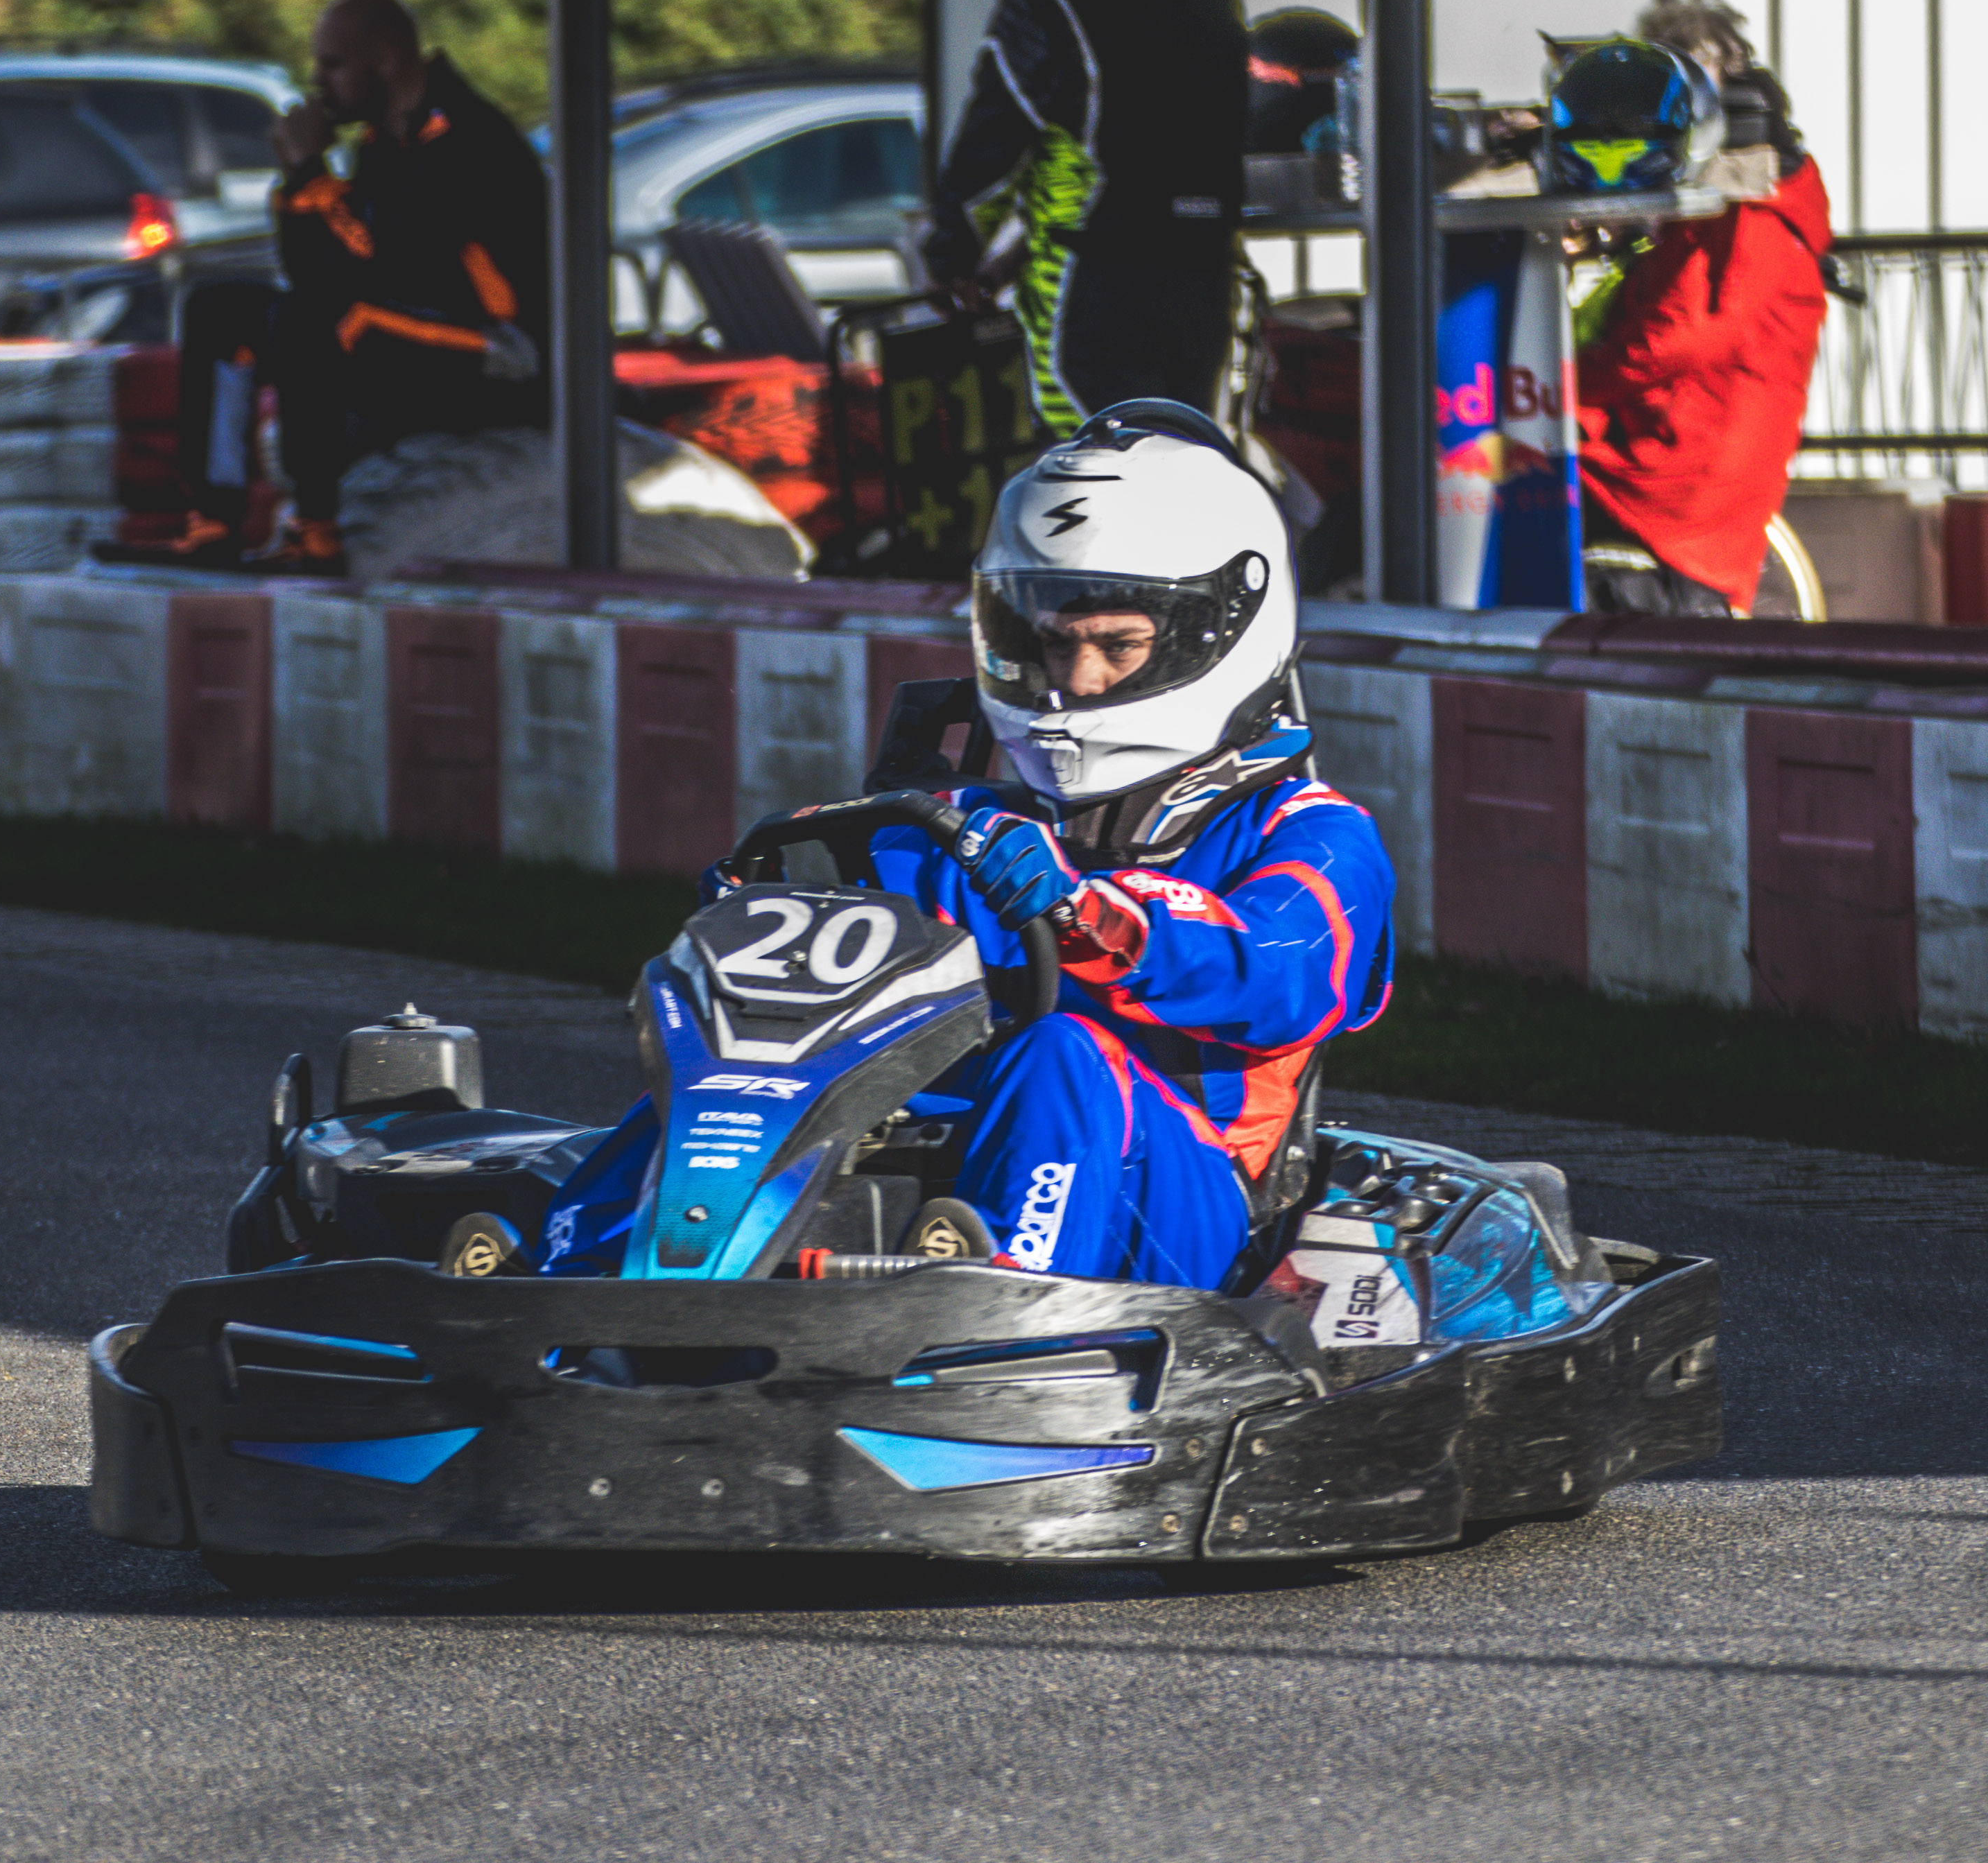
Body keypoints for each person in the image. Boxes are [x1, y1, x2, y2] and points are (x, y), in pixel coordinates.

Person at [539, 401, 1390, 1287]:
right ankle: (570, 1270)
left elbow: (1277, 975)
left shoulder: (1315, 833)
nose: (1075, 680)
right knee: (734, 1074)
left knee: (1062, 1050)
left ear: (1220, 634)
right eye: (1052, 643)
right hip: (948, 1154)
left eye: (1119, 646)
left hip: (1181, 1201)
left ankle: (1003, 1302)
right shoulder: (950, 825)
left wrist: (1089, 913)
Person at [139, 0, 551, 576]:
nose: (318, 82)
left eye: (332, 65)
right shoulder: (385, 141)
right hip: (408, 325)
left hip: (498, 352)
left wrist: (314, 174)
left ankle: (315, 531)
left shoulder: (463, 136)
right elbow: (316, 270)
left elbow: (388, 264)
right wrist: (299, 180)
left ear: (384, 61)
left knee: (316, 319)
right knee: (220, 308)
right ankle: (213, 521)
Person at [921, 0, 1250, 440]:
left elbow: (985, 165)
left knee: (1098, 478)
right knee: (1188, 468)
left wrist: (952, 256)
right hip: (1206, 284)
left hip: (1101, 289)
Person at [1566, 0, 1833, 618]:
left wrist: (1561, 390)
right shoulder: (1726, 203)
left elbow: (1672, 339)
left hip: (1674, 487)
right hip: (1670, 452)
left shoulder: (1750, 218)